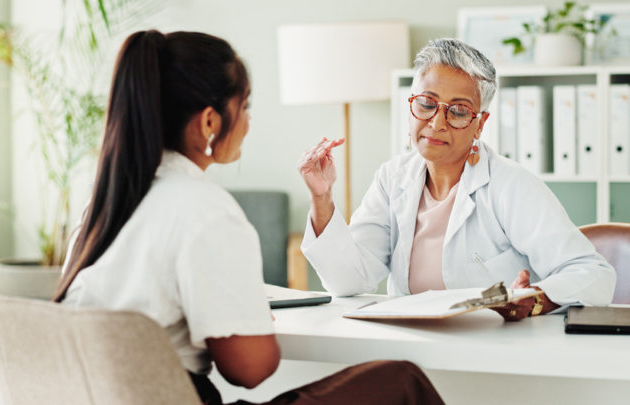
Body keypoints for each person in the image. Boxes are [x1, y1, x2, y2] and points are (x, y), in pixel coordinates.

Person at [54, 30, 444, 405]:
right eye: (246, 106)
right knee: (400, 382)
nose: (248, 121)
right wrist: (249, 316)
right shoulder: (205, 209)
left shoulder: (103, 206)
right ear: (210, 121)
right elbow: (250, 369)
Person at [298, 38, 616, 321]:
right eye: (426, 104)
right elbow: (349, 281)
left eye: (459, 111)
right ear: (410, 105)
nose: (437, 123)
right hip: (411, 343)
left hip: (496, 347)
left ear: (480, 124)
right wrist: (322, 198)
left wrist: (534, 299)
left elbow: (594, 275)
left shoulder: (511, 184)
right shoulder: (392, 178)